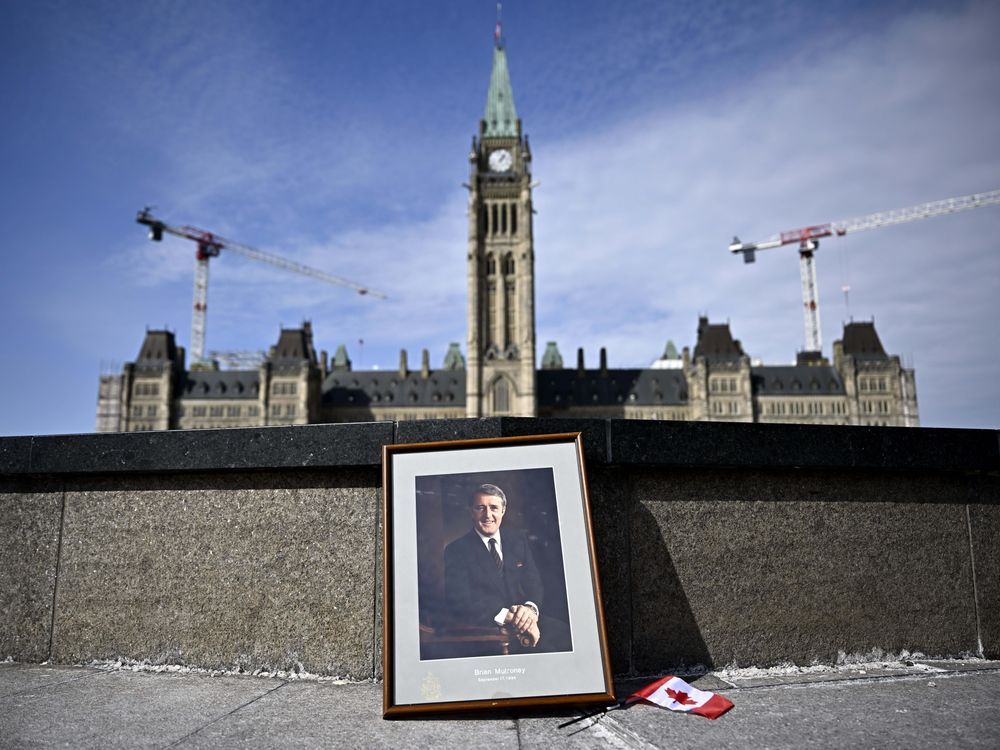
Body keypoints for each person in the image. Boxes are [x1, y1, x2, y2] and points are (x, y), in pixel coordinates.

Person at [443, 483, 569, 653]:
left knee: (565, 636)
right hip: (487, 628)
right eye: (480, 507)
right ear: (471, 512)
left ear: (503, 510)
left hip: (525, 618)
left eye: (494, 507)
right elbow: (460, 600)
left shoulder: (518, 540)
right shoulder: (456, 550)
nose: (488, 515)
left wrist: (530, 610)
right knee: (544, 652)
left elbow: (534, 584)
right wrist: (511, 617)